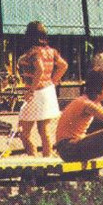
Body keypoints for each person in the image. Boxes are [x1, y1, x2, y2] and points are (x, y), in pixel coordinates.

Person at [17, 21, 68, 158]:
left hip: (35, 93)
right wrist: (52, 81)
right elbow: (63, 65)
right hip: (48, 91)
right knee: (44, 130)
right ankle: (47, 160)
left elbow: (39, 68)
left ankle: (33, 158)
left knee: (24, 131)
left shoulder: (33, 51)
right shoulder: (51, 51)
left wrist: (31, 90)